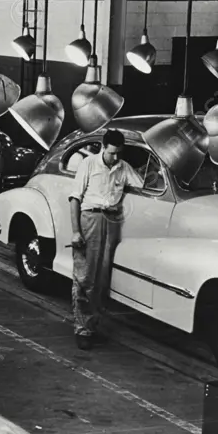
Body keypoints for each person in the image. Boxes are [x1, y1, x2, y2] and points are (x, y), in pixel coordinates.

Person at [69, 129, 144, 349]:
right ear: (103, 147)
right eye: (112, 153)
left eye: (119, 153)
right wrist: (76, 231)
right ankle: (82, 329)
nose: (116, 158)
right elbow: (74, 198)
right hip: (90, 218)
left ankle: (92, 326)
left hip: (111, 222)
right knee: (85, 277)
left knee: (102, 277)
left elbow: (142, 183)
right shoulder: (89, 164)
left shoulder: (123, 167)